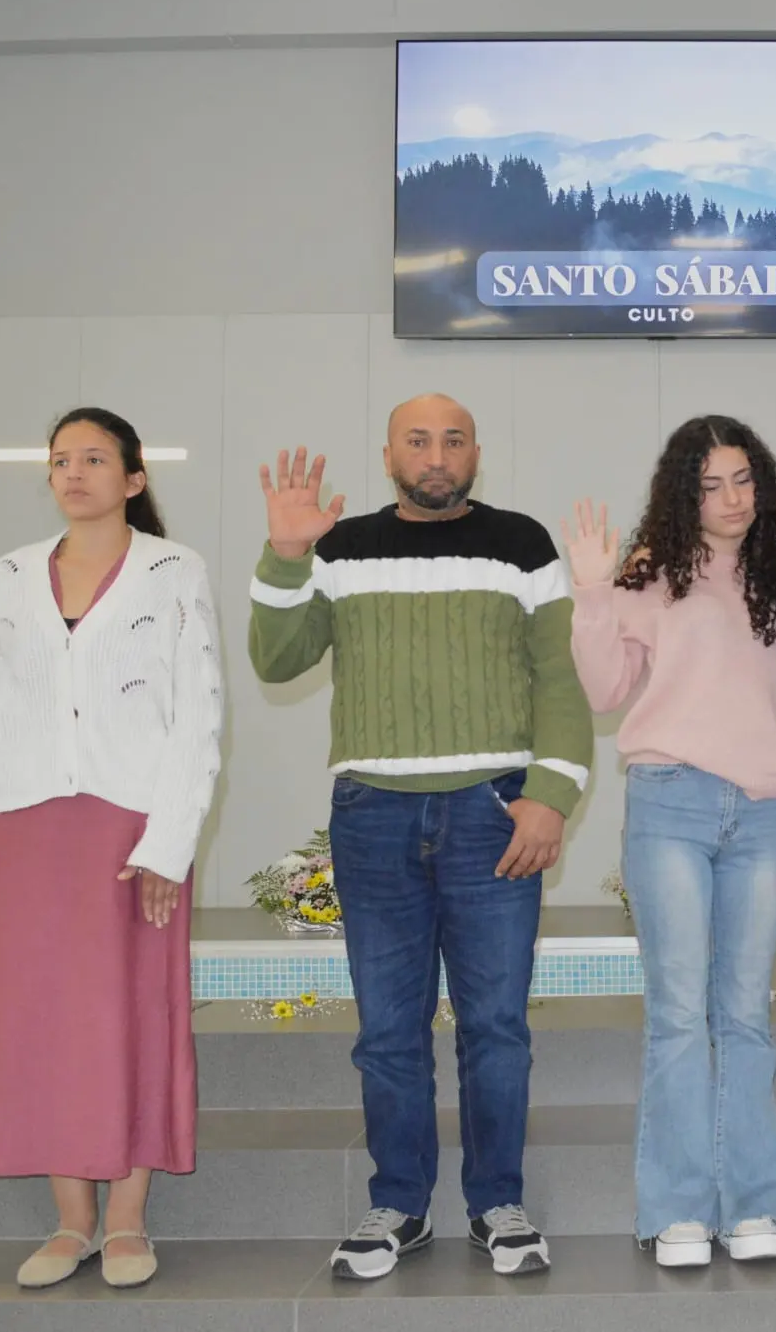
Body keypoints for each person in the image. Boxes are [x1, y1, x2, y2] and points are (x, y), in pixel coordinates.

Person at [248, 393, 592, 1280]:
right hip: (374, 816)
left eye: (452, 440)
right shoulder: (339, 546)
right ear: (390, 453)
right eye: (418, 441)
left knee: (495, 1027)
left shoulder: (523, 542)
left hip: (495, 813)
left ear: (477, 451)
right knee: (389, 1029)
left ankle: (496, 1203)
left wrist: (550, 795)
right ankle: (398, 1202)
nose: (436, 455)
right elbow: (276, 659)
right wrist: (286, 555)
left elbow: (560, 678)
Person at [0, 407, 222, 1291]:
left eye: (93, 458)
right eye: (60, 460)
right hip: (27, 824)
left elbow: (199, 715)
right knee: (41, 1018)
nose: (74, 472)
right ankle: (71, 1220)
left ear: (132, 477)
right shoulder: (9, 574)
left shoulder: (173, 571)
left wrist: (170, 841)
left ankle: (127, 1221)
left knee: (125, 1014)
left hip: (130, 829)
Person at [566, 416, 776, 1269]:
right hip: (670, 802)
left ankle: (755, 1206)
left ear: (762, 484)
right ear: (682, 493)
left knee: (745, 1016)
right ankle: (679, 1208)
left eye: (742, 480)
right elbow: (604, 690)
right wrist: (592, 594)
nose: (730, 500)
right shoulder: (651, 574)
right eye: (710, 485)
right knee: (681, 1015)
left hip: (761, 812)